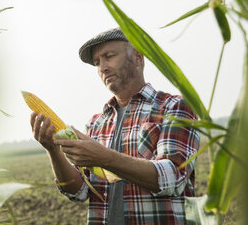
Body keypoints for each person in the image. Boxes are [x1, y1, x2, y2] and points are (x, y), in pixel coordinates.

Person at [29, 28, 200, 224]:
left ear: (137, 57)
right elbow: (80, 191)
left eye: (109, 56)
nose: (102, 67)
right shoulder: (96, 123)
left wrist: (103, 157)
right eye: (97, 63)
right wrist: (53, 151)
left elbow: (173, 176)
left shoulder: (173, 107)